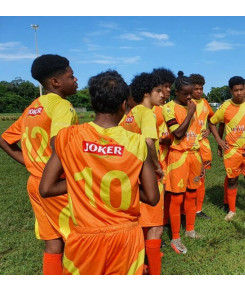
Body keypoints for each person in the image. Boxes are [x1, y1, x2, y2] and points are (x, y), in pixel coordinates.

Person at [39, 69, 159, 275]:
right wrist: (116, 189)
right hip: (126, 238)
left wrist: (86, 184)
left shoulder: (68, 137)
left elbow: (46, 188)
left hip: (84, 239)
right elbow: (152, 197)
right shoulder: (138, 143)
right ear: (124, 104)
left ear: (93, 104)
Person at [0, 54, 79, 275]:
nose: (75, 80)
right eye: (71, 76)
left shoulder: (32, 107)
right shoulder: (62, 106)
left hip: (35, 183)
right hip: (56, 185)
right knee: (76, 240)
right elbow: (59, 144)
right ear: (56, 82)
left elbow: (4, 140)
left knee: (53, 242)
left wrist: (30, 163)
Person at [120, 72, 164, 275]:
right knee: (156, 227)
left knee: (140, 223)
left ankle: (141, 266)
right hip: (147, 174)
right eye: (158, 91)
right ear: (147, 93)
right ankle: (154, 273)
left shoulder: (129, 114)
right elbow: (148, 142)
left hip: (131, 174)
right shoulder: (147, 113)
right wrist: (157, 166)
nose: (163, 94)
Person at [209, 76, 245, 221]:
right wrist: (219, 141)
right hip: (231, 152)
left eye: (241, 90)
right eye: (235, 90)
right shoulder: (225, 107)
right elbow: (212, 122)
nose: (239, 93)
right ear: (231, 91)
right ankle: (232, 210)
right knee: (232, 180)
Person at [162, 71, 204, 254]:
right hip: (178, 156)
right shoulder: (168, 108)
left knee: (192, 193)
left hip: (194, 155)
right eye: (185, 93)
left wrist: (200, 159)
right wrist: (190, 113)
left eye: (190, 93)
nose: (189, 96)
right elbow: (178, 133)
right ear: (176, 92)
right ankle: (176, 237)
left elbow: (196, 134)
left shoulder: (192, 105)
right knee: (176, 197)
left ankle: (190, 229)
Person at [151, 68, 175, 226]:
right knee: (156, 191)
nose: (168, 90)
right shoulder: (151, 108)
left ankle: (164, 220)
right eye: (164, 87)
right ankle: (154, 225)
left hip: (170, 155)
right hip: (156, 157)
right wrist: (162, 140)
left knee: (168, 190)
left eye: (169, 86)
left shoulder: (169, 106)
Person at [190, 73, 214, 220]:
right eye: (196, 88)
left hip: (203, 146)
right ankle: (187, 208)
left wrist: (210, 129)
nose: (199, 91)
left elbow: (213, 118)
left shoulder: (205, 103)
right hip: (190, 146)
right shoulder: (187, 103)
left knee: (202, 178)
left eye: (201, 88)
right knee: (191, 178)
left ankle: (198, 210)